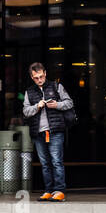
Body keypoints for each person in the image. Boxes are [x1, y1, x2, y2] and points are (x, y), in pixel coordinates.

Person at [22, 62, 74, 201]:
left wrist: (57, 105)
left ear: (45, 73)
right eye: (36, 78)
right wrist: (36, 107)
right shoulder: (29, 91)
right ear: (31, 77)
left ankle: (59, 190)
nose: (39, 80)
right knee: (45, 164)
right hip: (38, 133)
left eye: (41, 76)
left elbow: (69, 103)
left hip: (55, 130)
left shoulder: (57, 86)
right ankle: (49, 190)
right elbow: (26, 111)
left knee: (56, 161)